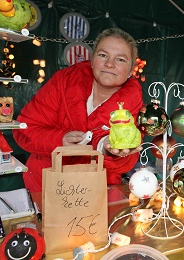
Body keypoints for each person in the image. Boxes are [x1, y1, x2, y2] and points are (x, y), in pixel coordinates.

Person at [13, 28, 144, 192]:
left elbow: (128, 160)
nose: (109, 64)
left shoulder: (133, 101)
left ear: (131, 69)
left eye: (121, 59)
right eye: (103, 55)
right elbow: (25, 128)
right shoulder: (64, 81)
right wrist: (60, 140)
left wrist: (106, 148)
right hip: (45, 186)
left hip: (96, 192)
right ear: (92, 59)